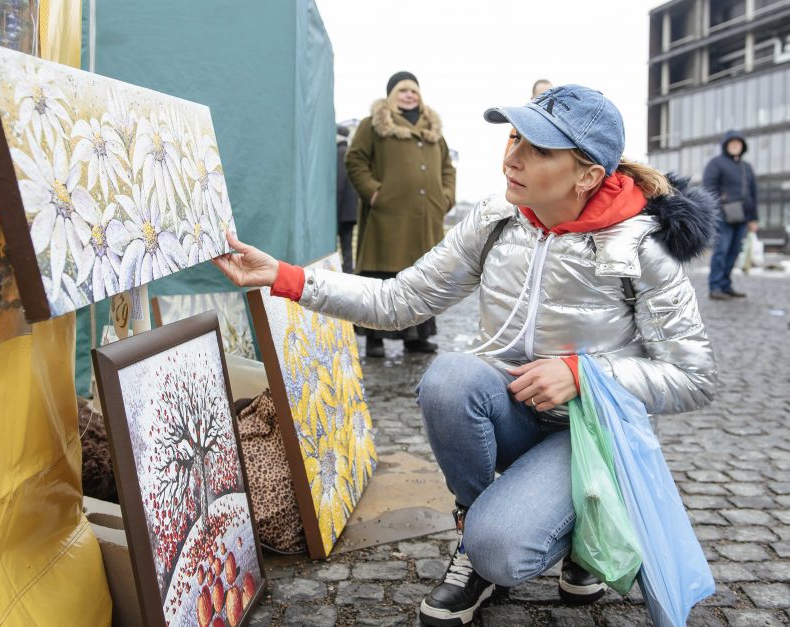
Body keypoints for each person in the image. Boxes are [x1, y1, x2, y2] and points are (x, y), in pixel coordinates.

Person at [213, 84, 718, 626]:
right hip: (512, 412)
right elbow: (400, 298)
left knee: (502, 548)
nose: (512, 157)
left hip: (588, 434)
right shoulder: (496, 220)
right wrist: (284, 277)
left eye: (539, 150)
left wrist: (582, 374)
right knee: (449, 377)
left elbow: (693, 378)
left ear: (588, 175)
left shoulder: (643, 248)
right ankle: (471, 541)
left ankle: (581, 535)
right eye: (515, 137)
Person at [345, 71, 456, 357]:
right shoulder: (373, 125)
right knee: (382, 279)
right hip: (387, 217)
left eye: (414, 90)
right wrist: (374, 192)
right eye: (403, 90)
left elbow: (447, 167)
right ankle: (374, 339)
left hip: (426, 218)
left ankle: (415, 338)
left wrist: (445, 198)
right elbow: (355, 160)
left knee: (420, 277)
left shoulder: (432, 129)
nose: (409, 95)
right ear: (391, 95)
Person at [703, 130, 759, 300]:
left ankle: (726, 286)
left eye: (738, 143)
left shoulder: (746, 167)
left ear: (743, 146)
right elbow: (709, 189)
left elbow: (753, 193)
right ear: (726, 145)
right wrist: (722, 204)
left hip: (743, 217)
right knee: (721, 251)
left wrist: (754, 218)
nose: (735, 146)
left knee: (734, 252)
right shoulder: (716, 163)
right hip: (723, 217)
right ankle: (715, 287)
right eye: (732, 143)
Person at [336, 125, 359, 273]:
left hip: (341, 210)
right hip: (351, 211)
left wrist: (335, 210)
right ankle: (348, 272)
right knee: (347, 245)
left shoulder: (340, 152)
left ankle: (340, 272)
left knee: (337, 245)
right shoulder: (350, 153)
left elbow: (340, 183)